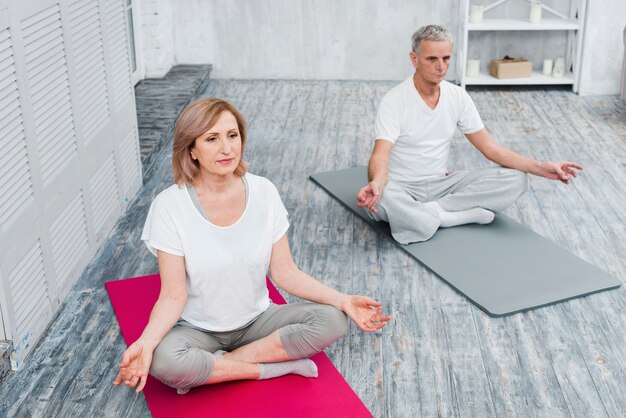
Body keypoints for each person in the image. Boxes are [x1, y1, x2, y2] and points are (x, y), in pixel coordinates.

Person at [113, 98, 391, 394]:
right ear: (191, 149)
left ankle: (220, 367)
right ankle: (271, 368)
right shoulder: (169, 206)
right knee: (164, 362)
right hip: (198, 329)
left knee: (334, 320)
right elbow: (172, 294)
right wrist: (145, 342)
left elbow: (285, 273)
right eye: (212, 139)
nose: (226, 148)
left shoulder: (263, 191)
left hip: (258, 320)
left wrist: (343, 299)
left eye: (232, 136)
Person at [357, 24, 582, 244]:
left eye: (446, 58)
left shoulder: (458, 96)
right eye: (432, 59)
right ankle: (452, 217)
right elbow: (381, 155)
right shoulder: (395, 100)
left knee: (516, 178)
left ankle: (430, 214)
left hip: (441, 184)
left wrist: (542, 168)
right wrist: (377, 182)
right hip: (402, 187)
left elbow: (490, 149)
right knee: (381, 203)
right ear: (414, 59)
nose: (441, 66)